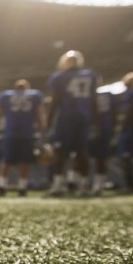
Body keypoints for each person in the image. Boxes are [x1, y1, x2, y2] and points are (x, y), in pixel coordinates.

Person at [46, 50, 98, 197]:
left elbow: (55, 101)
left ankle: (57, 185)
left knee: (60, 152)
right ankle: (84, 186)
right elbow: (94, 101)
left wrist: (48, 121)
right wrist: (95, 121)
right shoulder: (90, 76)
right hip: (84, 118)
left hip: (67, 118)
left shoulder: (60, 77)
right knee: (81, 151)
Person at [87, 91, 117, 195]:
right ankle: (97, 184)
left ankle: (94, 184)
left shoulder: (92, 95)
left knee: (82, 154)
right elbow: (114, 112)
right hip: (103, 127)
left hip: (91, 127)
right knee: (100, 157)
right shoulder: (108, 96)